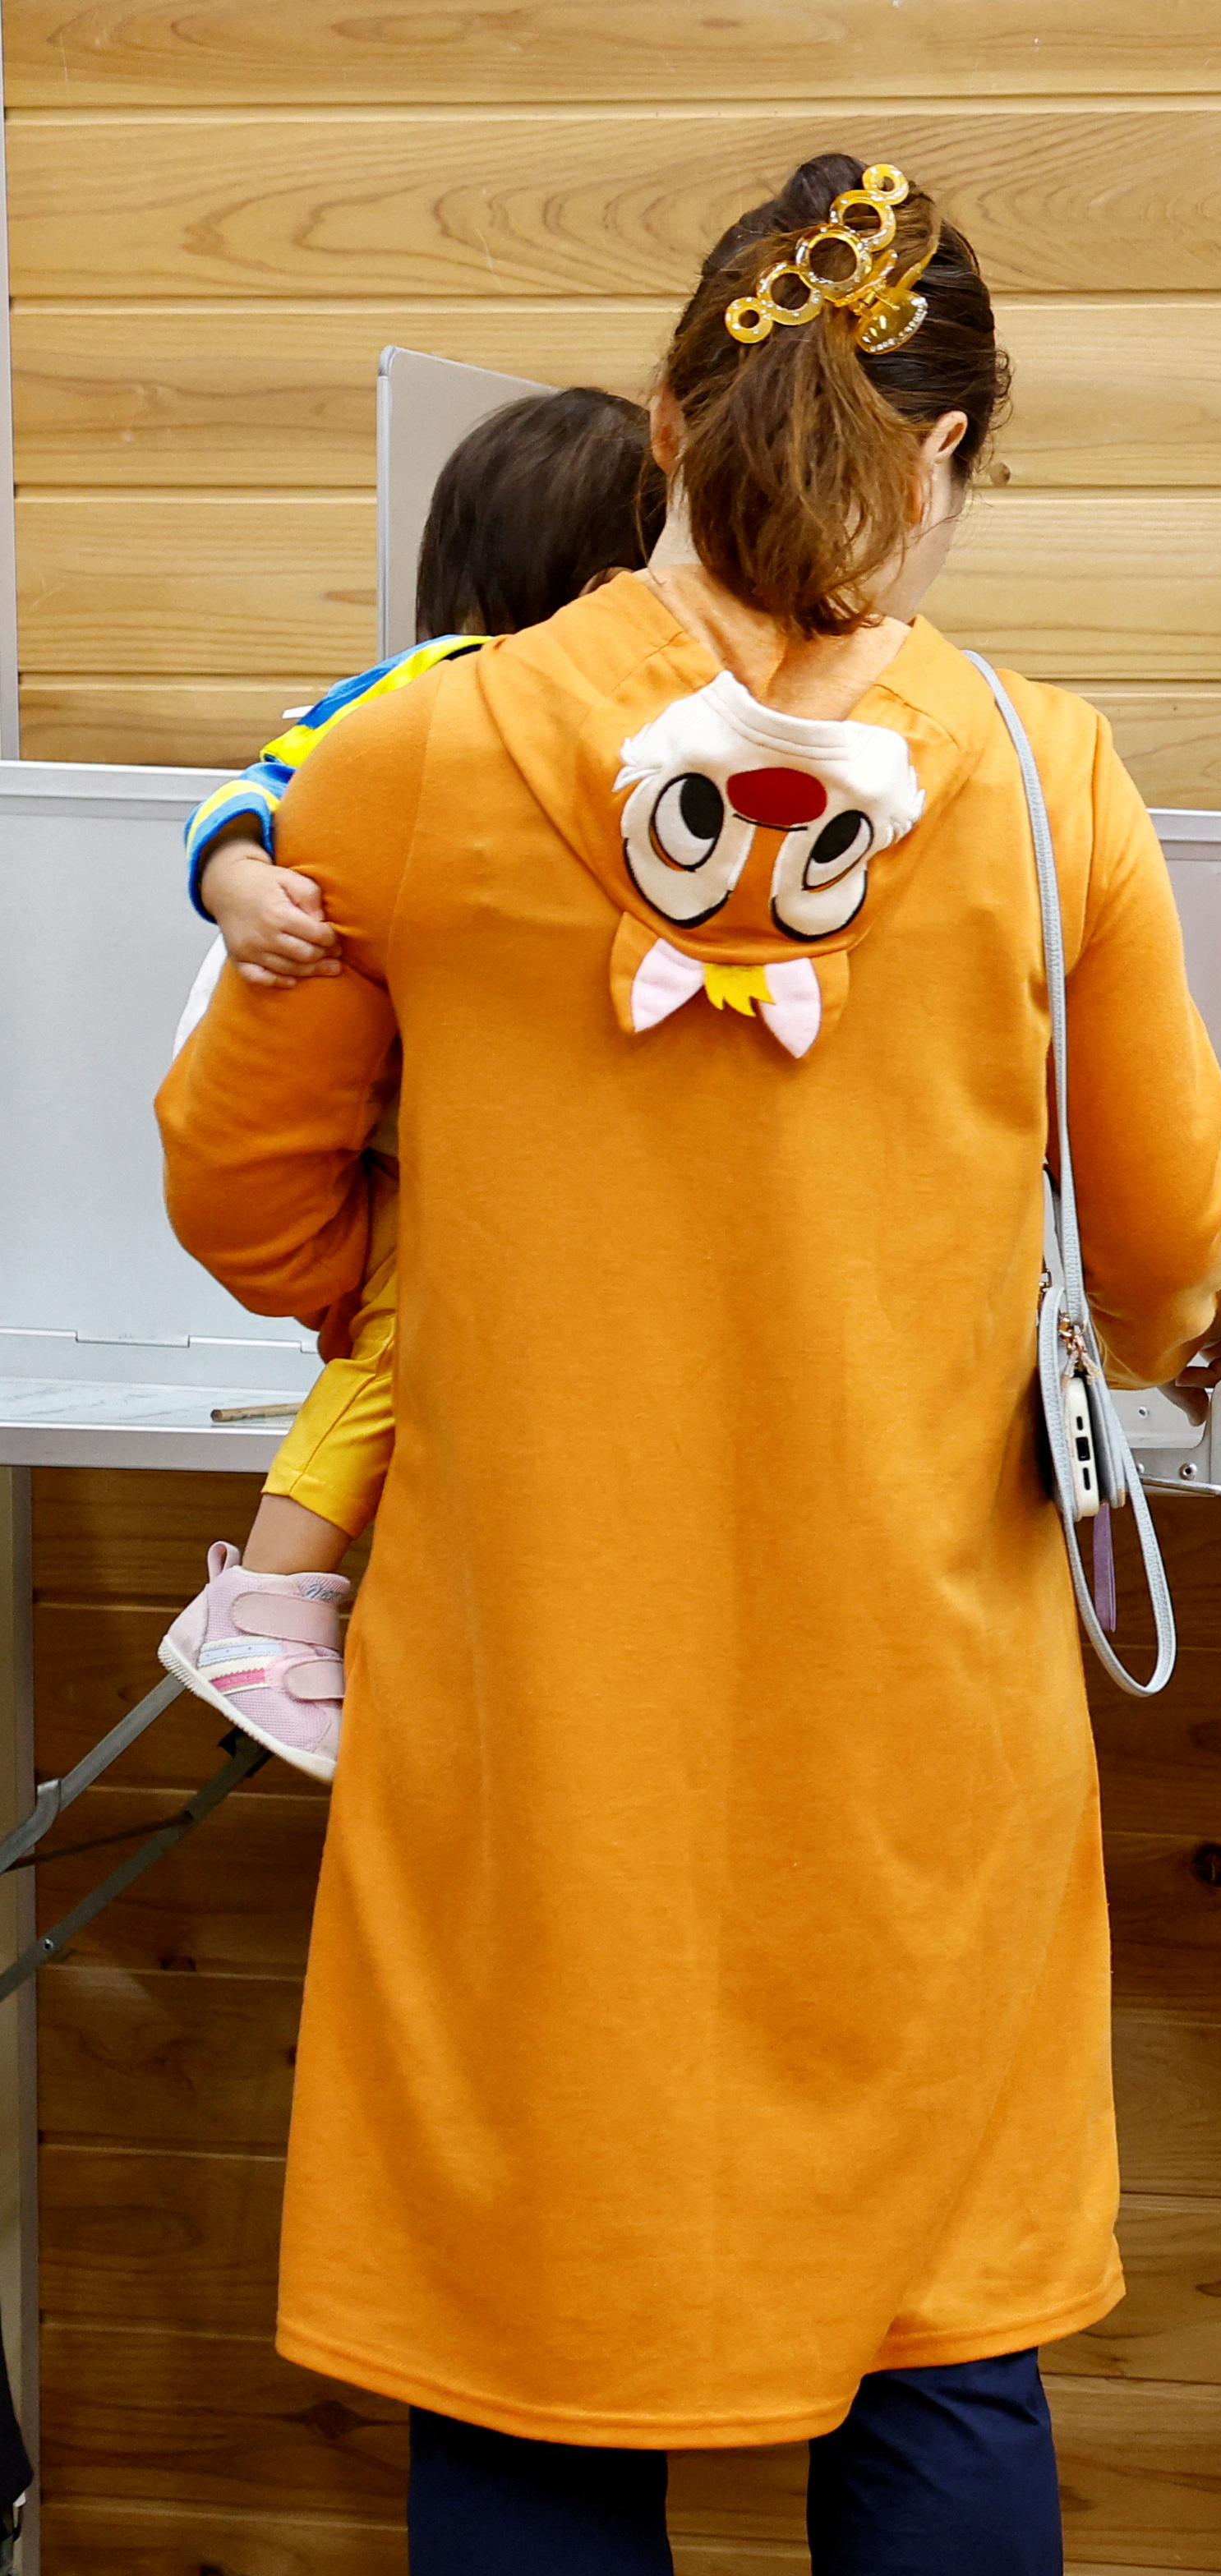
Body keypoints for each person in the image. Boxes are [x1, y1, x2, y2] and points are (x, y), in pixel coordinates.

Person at [158, 153, 1221, 2576]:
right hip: (928, 1726)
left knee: (531, 2336)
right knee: (941, 2337)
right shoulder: (1048, 779)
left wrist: (475, 1202)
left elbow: (249, 1214)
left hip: (550, 1724)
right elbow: (1159, 1265)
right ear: (965, 463)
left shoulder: (413, 766)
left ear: (654, 427)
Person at [159, 384, 668, 1781]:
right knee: (396, 1349)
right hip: (405, 1143)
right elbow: (247, 787)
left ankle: (280, 1602)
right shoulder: (431, 689)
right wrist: (238, 883)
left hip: (489, 1160)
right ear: (606, 584)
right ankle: (266, 1605)